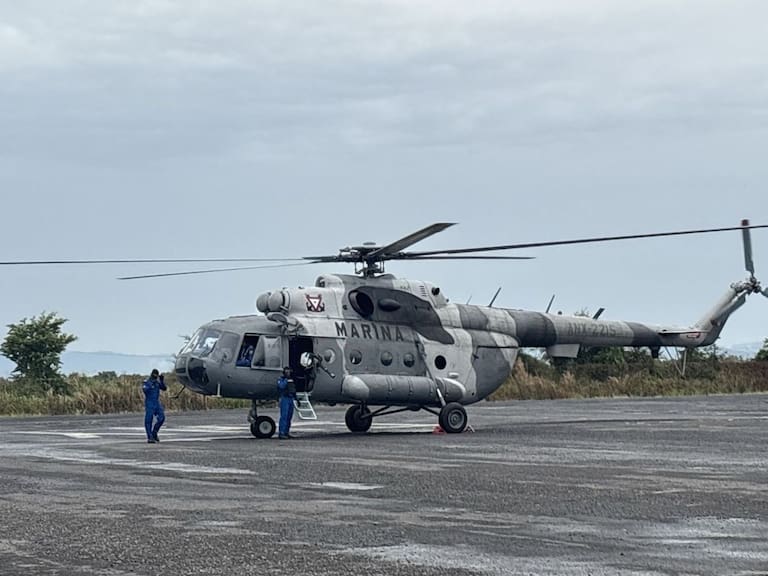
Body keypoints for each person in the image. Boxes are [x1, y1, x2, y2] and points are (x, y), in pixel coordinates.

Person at [142, 368, 167, 443]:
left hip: (156, 403)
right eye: (154, 374)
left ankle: (154, 432)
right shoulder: (147, 382)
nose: (155, 376)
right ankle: (150, 437)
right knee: (148, 420)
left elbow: (164, 388)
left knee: (162, 418)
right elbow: (145, 390)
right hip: (149, 403)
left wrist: (162, 380)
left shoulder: (157, 382)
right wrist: (151, 383)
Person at [277, 366, 296, 439]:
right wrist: (286, 380)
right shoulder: (281, 379)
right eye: (287, 372)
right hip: (284, 398)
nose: (288, 373)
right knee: (284, 416)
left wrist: (296, 398)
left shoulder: (291, 380)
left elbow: (293, 389)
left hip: (291, 398)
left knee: (289, 416)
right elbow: (281, 386)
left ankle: (286, 432)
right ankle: (281, 432)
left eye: (289, 372)